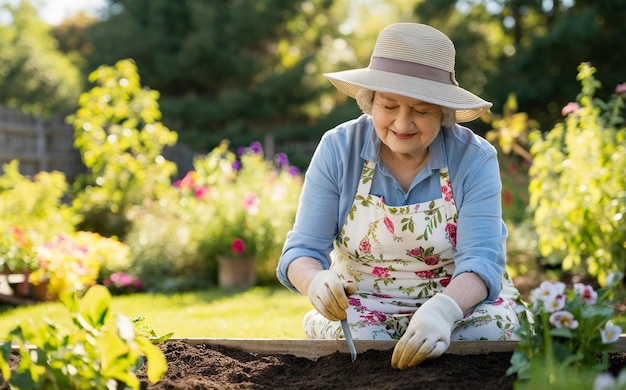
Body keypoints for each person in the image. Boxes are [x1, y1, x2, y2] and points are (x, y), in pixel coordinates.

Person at [276, 22, 527, 370]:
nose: (403, 123)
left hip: (461, 309)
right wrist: (315, 280)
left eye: (422, 110)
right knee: (363, 349)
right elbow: (301, 251)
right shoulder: (338, 149)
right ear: (370, 100)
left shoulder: (474, 158)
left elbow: (482, 260)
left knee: (489, 337)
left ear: (443, 112)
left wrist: (443, 310)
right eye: (389, 105)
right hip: (365, 309)